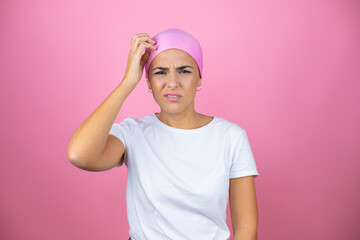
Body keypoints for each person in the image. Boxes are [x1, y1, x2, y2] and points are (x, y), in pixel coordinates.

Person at [67, 28, 260, 240]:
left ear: (199, 78)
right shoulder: (133, 133)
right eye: (160, 72)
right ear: (148, 81)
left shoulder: (231, 137)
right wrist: (127, 82)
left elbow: (245, 229)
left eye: (184, 71)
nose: (172, 82)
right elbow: (79, 154)